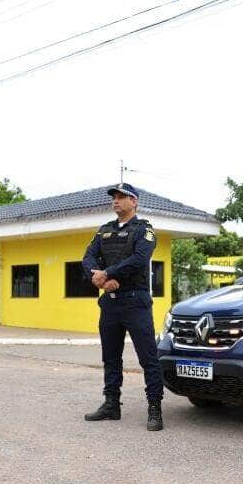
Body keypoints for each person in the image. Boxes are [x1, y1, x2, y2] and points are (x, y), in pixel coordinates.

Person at [81, 182, 164, 431]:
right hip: (110, 304)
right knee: (110, 357)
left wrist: (107, 272)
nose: (116, 201)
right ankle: (111, 404)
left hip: (135, 302)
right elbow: (87, 257)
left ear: (134, 201)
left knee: (148, 358)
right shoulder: (103, 230)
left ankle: (154, 408)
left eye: (121, 197)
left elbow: (139, 260)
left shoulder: (143, 229)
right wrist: (102, 280)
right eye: (114, 197)